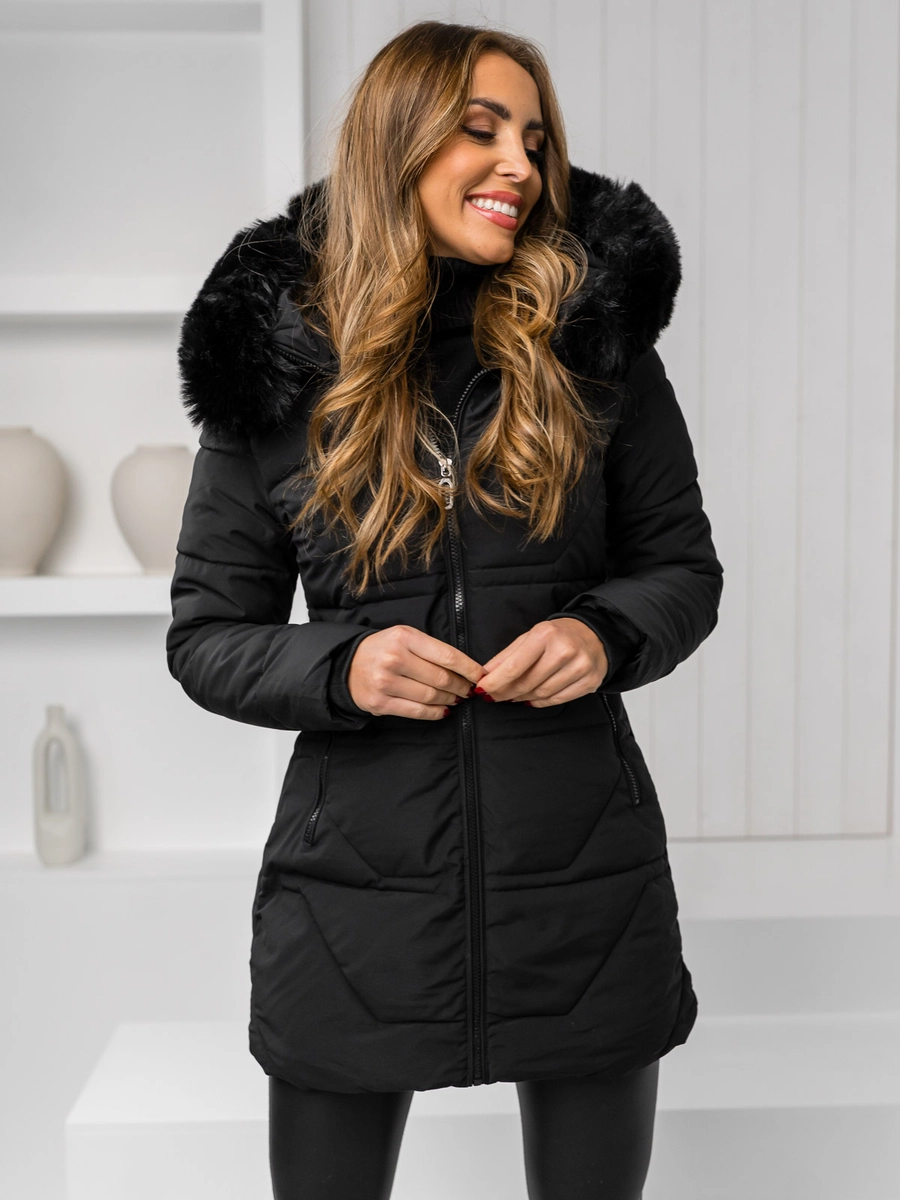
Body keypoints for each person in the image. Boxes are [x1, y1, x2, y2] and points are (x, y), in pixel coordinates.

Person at [167, 20, 724, 1200]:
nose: (520, 162)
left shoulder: (597, 350)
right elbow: (208, 634)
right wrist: (342, 670)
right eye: (481, 129)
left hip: (584, 889)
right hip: (351, 904)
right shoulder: (274, 368)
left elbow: (682, 569)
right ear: (396, 143)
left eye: (535, 137)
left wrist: (603, 634)